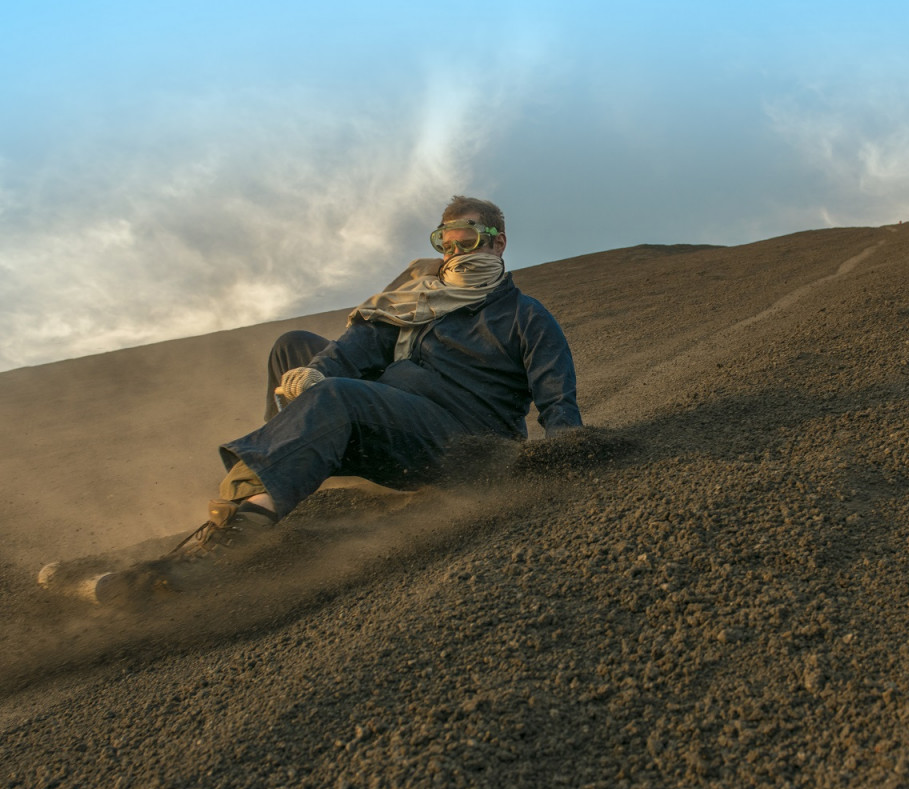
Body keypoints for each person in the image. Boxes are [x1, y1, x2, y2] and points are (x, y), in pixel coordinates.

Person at [112, 196, 582, 597]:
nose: (457, 251)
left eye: (470, 240)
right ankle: (283, 477)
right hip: (393, 420)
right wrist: (312, 375)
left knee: (338, 396)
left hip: (463, 442)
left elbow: (558, 400)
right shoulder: (417, 301)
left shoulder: (525, 316)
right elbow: (354, 349)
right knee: (294, 347)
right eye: (446, 242)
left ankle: (239, 536)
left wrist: (565, 463)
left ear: (498, 242)